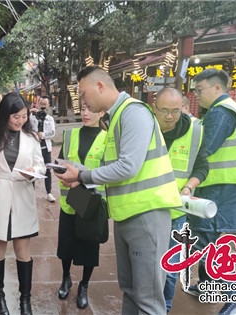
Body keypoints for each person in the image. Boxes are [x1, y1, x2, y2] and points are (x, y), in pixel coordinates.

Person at [56, 66, 182, 314]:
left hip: (147, 213)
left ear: (100, 86)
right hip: (128, 215)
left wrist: (82, 175)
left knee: (147, 298)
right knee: (131, 289)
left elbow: (128, 167)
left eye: (83, 93)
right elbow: (111, 167)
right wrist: (77, 172)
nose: (84, 101)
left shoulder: (133, 113)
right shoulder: (116, 118)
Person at [187, 69, 236, 315]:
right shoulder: (222, 111)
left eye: (199, 89)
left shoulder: (221, 112)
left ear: (217, 88)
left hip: (221, 187)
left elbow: (204, 150)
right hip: (219, 185)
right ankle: (206, 286)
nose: (196, 94)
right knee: (206, 235)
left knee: (205, 239)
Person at [0, 92, 45, 315]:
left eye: (24, 116)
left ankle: (25, 301)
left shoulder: (31, 138)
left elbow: (41, 165)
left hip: (22, 194)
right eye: (15, 117)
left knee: (23, 251)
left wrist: (34, 172)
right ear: (5, 115)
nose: (20, 121)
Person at [153, 87, 209, 313]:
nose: (169, 116)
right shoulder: (146, 128)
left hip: (175, 211)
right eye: (164, 110)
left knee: (169, 265)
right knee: (145, 265)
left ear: (183, 108)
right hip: (145, 208)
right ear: (154, 108)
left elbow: (202, 166)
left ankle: (164, 307)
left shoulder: (195, 131)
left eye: (175, 111)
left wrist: (189, 187)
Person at [55, 103, 107, 309]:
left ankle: (84, 285)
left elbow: (109, 171)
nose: (86, 113)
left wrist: (81, 180)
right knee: (66, 245)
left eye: (92, 109)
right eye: (83, 109)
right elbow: (62, 162)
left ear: (102, 112)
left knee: (89, 246)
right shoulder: (70, 135)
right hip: (71, 199)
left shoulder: (108, 138)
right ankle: (66, 278)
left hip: (92, 201)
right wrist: (60, 172)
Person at [30, 95, 56, 202]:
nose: (43, 107)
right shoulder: (31, 116)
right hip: (34, 147)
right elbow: (26, 128)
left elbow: (53, 132)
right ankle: (31, 193)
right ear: (37, 104)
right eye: (41, 104)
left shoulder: (50, 119)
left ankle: (49, 192)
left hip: (46, 148)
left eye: (45, 104)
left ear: (49, 105)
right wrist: (30, 112)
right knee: (32, 170)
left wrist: (43, 134)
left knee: (47, 170)